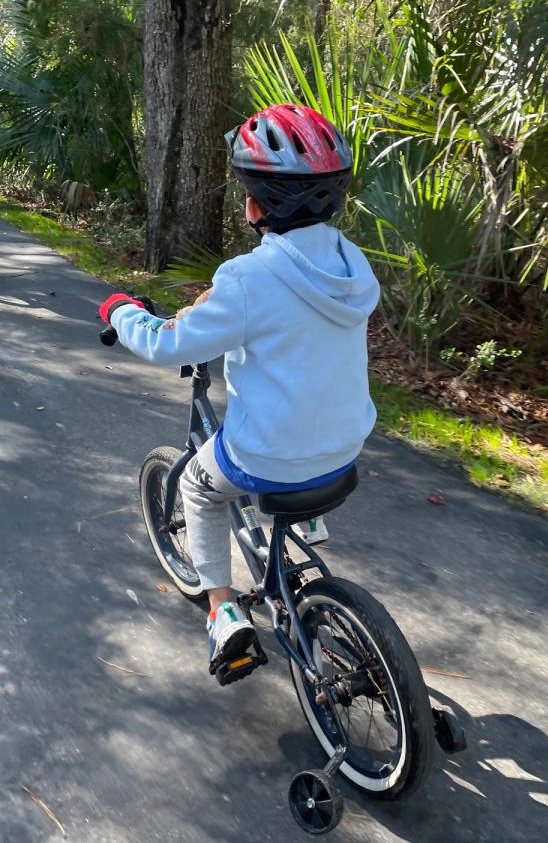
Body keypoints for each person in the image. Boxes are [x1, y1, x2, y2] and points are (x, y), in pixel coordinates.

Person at [98, 104, 378, 683]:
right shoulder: (353, 266)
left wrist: (123, 312)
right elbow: (288, 321)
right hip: (346, 444)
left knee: (201, 486)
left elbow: (169, 344)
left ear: (254, 204)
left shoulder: (249, 279)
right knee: (291, 446)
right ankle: (307, 526)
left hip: (274, 455)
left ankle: (224, 612)